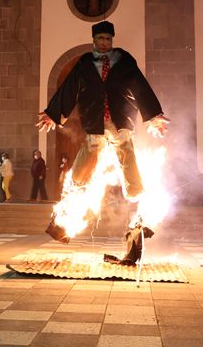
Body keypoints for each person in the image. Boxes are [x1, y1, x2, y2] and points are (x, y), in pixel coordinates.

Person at [37, 20, 169, 241]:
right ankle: (68, 209)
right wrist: (53, 113)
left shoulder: (125, 61)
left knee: (127, 157)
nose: (105, 42)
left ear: (112, 40)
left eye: (108, 39)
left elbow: (140, 85)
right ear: (94, 40)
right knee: (86, 160)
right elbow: (69, 87)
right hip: (95, 121)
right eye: (101, 39)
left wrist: (153, 115)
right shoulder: (85, 63)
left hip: (120, 120)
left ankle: (140, 211)